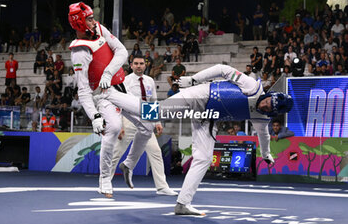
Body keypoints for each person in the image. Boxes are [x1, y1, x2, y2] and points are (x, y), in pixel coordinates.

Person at [118, 64, 293, 215]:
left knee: (204, 158)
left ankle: (183, 203)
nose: (264, 104)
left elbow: (264, 135)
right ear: (271, 95)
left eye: (269, 107)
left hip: (207, 117)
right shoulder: (252, 87)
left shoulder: (261, 118)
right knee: (155, 113)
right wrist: (193, 80)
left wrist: (266, 153)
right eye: (268, 100)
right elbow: (222, 69)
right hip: (198, 95)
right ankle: (111, 96)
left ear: (272, 113)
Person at [68, 2, 154, 198]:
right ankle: (105, 180)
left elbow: (122, 51)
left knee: (150, 121)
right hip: (103, 95)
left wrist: (108, 73)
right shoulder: (80, 52)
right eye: (88, 18)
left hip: (121, 89)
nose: (93, 20)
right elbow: (82, 90)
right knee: (113, 128)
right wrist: (94, 116)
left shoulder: (98, 28)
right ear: (80, 23)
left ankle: (128, 165)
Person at [110, 55, 177, 196]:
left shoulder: (149, 81)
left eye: (141, 63)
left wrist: (157, 122)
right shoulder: (125, 81)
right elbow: (118, 102)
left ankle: (162, 187)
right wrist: (119, 124)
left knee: (156, 152)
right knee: (117, 152)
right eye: (136, 63)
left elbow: (153, 101)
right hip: (128, 119)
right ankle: (105, 183)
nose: (139, 66)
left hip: (146, 120)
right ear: (131, 65)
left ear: (145, 65)